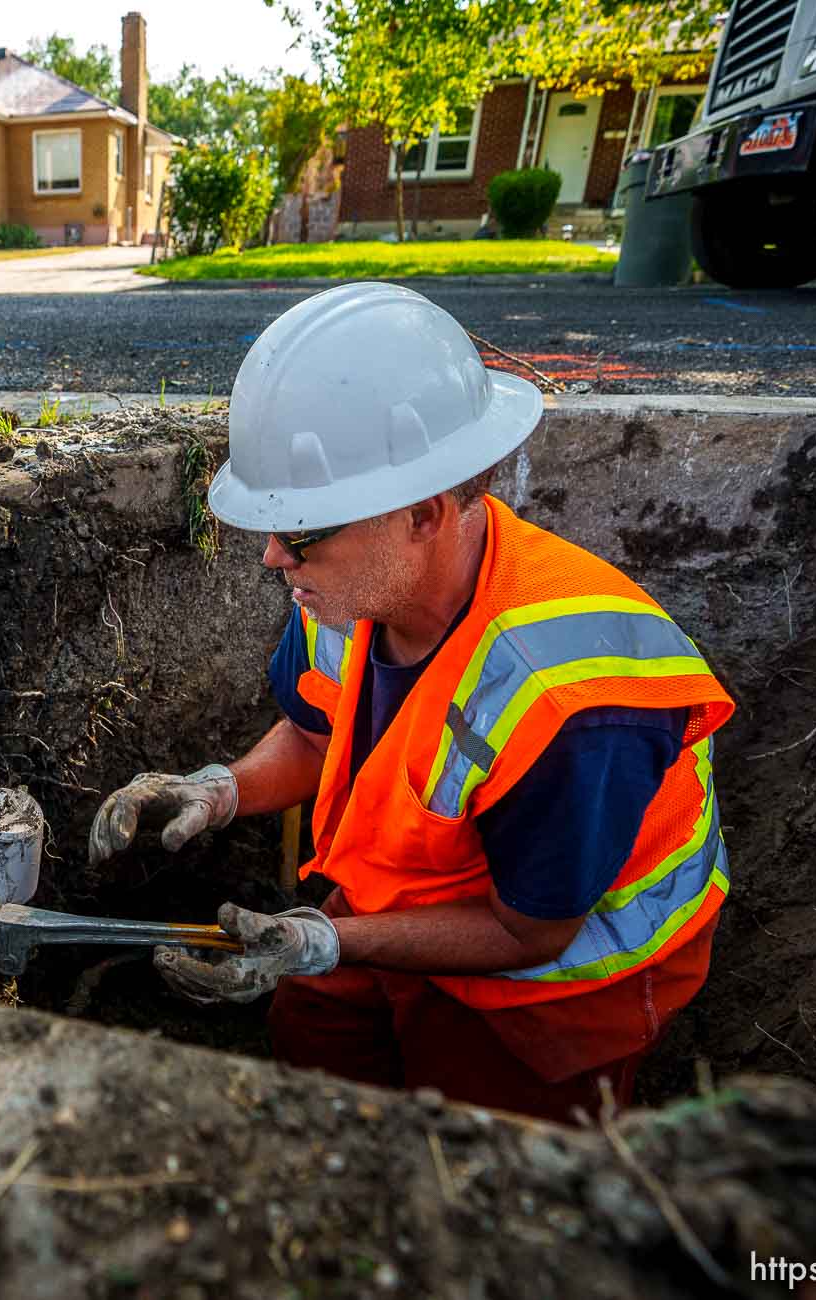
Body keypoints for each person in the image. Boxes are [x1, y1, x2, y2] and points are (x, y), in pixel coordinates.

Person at [89, 282, 733, 1123]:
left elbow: (529, 934)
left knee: (474, 1162)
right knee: (312, 1037)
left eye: (304, 530)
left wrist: (327, 937)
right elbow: (319, 733)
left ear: (424, 515)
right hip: (410, 904)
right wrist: (223, 791)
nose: (273, 558)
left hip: (553, 991)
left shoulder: (571, 698)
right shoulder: (349, 591)